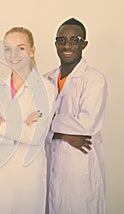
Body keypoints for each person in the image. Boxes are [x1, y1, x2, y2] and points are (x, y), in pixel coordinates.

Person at [0, 27, 55, 214]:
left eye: (21, 48)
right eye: (8, 49)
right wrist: (22, 125)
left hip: (27, 173)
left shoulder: (45, 89)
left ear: (32, 51)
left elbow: (35, 136)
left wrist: (1, 123)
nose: (13, 55)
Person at [44, 18, 108, 214]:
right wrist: (62, 134)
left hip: (79, 164)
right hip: (50, 161)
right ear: (56, 44)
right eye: (62, 40)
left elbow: (86, 125)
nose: (67, 45)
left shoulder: (94, 79)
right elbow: (34, 123)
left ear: (84, 44)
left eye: (74, 39)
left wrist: (50, 123)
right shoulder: (46, 79)